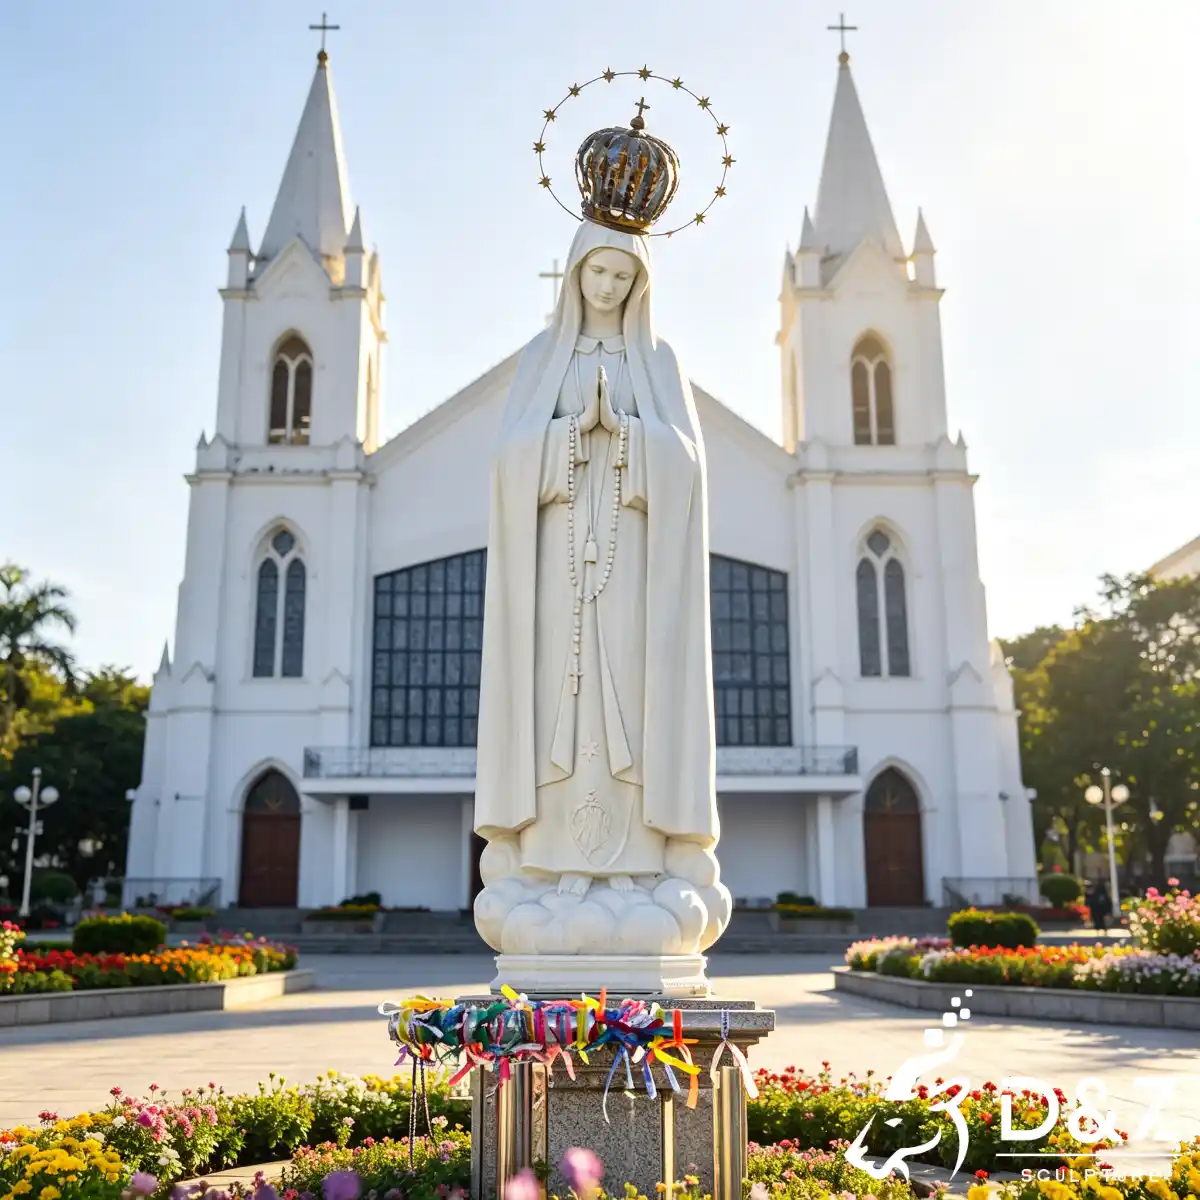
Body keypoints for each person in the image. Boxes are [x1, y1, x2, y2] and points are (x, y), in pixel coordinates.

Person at [472, 217, 731, 958]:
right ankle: (557, 865)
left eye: (623, 277)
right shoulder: (540, 359)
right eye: (598, 273)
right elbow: (506, 463)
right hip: (559, 574)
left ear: (640, 284)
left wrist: (627, 436)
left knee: (633, 707)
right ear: (576, 274)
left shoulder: (660, 360)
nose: (609, 288)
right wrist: (565, 436)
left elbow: (688, 467)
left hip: (635, 582)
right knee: (566, 701)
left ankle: (637, 865)